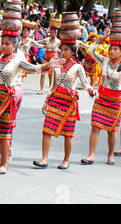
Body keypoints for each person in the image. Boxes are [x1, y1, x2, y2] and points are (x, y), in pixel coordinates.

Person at [0, 31, 64, 175]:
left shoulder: (18, 61)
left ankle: (3, 164)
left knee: (4, 134)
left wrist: (48, 65)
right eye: (2, 43)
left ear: (15, 45)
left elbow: (34, 68)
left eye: (7, 44)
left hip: (7, 99)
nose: (4, 46)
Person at [34, 42, 96, 170]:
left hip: (69, 102)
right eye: (62, 50)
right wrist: (46, 101)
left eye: (66, 50)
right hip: (55, 100)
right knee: (46, 130)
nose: (63, 52)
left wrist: (91, 90)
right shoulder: (56, 64)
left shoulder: (78, 67)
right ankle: (44, 159)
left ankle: (66, 160)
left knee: (68, 134)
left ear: (73, 52)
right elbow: (52, 86)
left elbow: (85, 84)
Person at [81, 34, 121, 165]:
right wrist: (101, 40)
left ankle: (110, 154)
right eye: (110, 49)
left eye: (115, 49)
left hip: (116, 101)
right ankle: (91, 155)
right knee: (95, 126)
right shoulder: (104, 61)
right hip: (101, 98)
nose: (111, 51)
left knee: (112, 129)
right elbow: (91, 51)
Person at [37, 27, 60, 94]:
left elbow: (54, 46)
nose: (51, 34)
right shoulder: (47, 40)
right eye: (51, 32)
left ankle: (50, 90)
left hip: (53, 58)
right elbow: (38, 42)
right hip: (46, 58)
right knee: (43, 74)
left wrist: (50, 46)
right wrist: (31, 41)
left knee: (50, 75)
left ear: (56, 33)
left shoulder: (58, 41)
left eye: (53, 32)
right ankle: (41, 89)